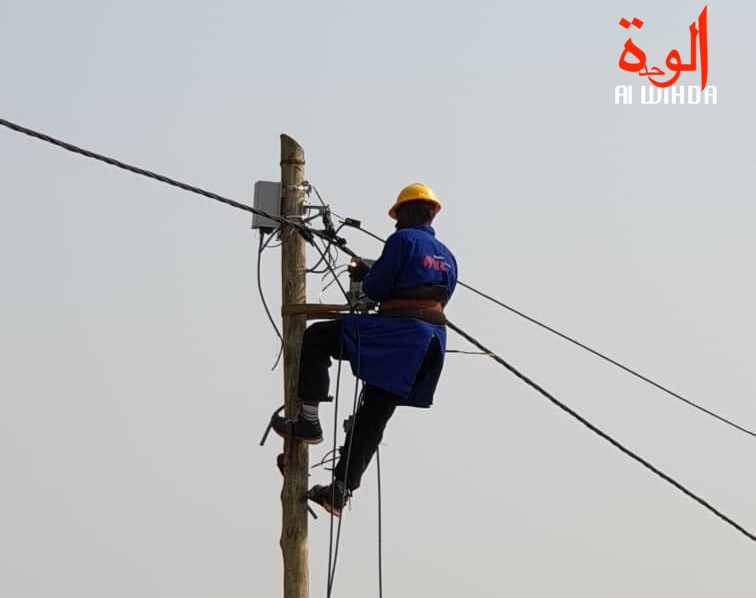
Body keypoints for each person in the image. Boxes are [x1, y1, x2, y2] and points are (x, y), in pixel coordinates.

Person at [272, 182, 457, 516]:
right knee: (373, 414)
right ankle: (339, 491)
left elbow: (376, 287)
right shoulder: (447, 255)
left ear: (401, 213)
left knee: (318, 337)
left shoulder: (402, 240)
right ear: (432, 213)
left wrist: (365, 278)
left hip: (398, 334)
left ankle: (308, 420)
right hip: (429, 343)